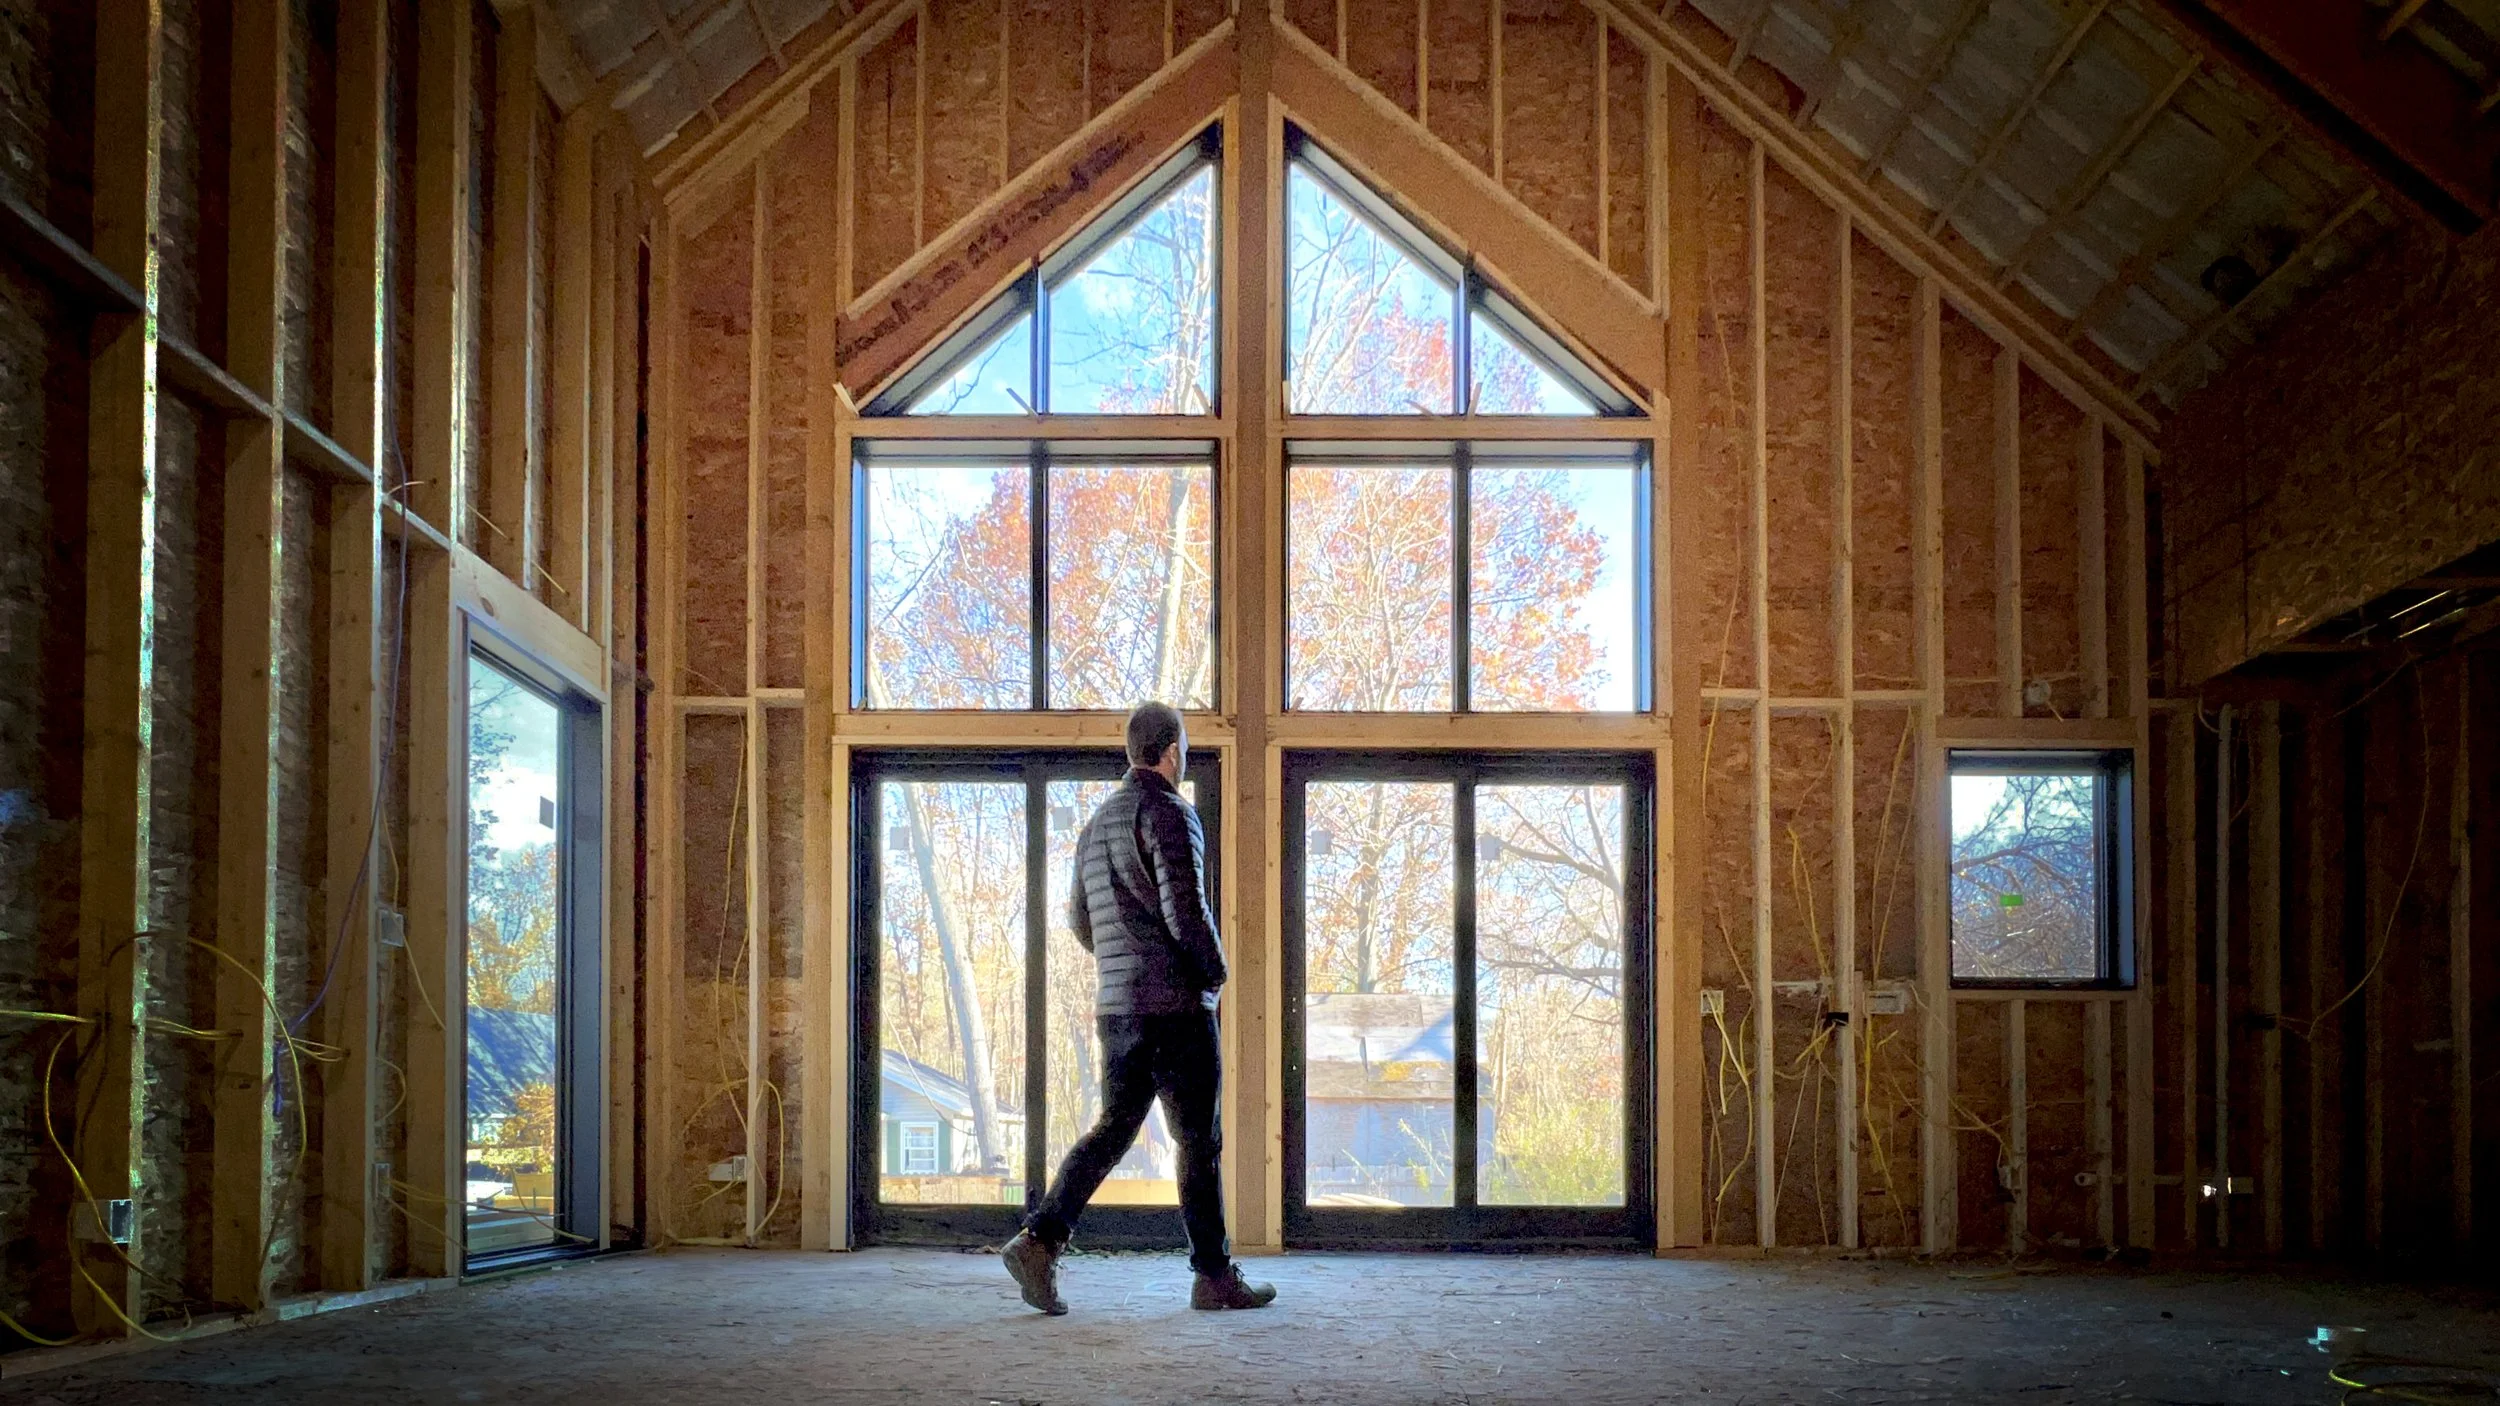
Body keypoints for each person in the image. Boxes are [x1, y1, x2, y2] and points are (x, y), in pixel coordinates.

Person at [1001, 701, 1277, 1315]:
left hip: (1117, 1007)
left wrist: (1125, 958)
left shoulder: (1097, 823)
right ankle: (1213, 1278)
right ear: (1173, 751)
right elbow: (1187, 913)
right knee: (1198, 1143)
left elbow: (1081, 920)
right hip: (1175, 1008)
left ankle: (1040, 1240)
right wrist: (1216, 972)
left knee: (1114, 1128)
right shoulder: (1172, 812)